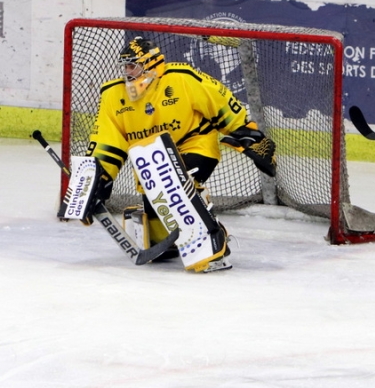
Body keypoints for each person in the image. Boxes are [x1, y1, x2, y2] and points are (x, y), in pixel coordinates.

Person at [85, 37, 276, 272]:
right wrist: (97, 179)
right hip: (151, 164)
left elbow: (219, 102)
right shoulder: (112, 95)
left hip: (195, 146)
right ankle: (164, 232)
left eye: (133, 66)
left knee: (176, 182)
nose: (127, 73)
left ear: (151, 64)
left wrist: (250, 136)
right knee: (160, 231)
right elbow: (106, 142)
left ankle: (213, 237)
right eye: (125, 67)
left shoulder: (182, 78)